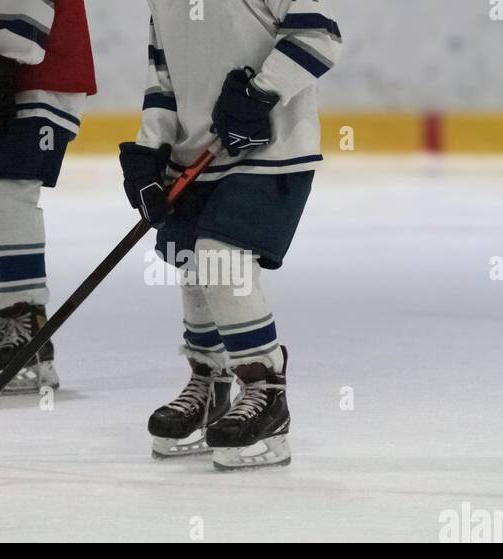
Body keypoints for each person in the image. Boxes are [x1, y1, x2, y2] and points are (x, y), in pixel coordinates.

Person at [119, 0, 342, 470]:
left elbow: (318, 36)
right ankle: (211, 385)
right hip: (192, 155)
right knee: (191, 265)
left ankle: (266, 392)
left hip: (271, 146)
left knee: (220, 259)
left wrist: (260, 94)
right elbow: (163, 74)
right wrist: (150, 145)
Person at [0, 0, 96, 393]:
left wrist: (0, 58)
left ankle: (26, 319)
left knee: (5, 194)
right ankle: (3, 311)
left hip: (38, 69)